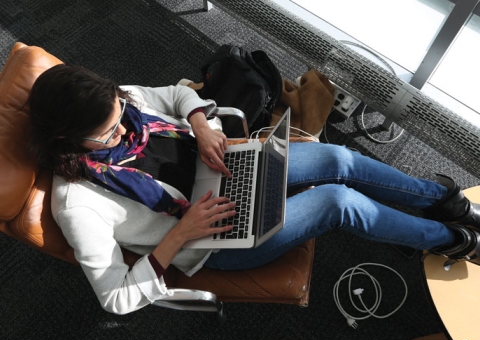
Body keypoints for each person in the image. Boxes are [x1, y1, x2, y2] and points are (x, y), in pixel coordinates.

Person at [28, 64, 480, 315]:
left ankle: (443, 201)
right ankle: (449, 241)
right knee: (336, 201)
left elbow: (175, 93)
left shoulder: (121, 101)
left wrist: (201, 125)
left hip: (232, 166)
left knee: (339, 159)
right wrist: (181, 234)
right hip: (212, 240)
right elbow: (116, 298)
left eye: (120, 117)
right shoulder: (78, 202)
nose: (124, 133)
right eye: (108, 136)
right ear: (66, 138)